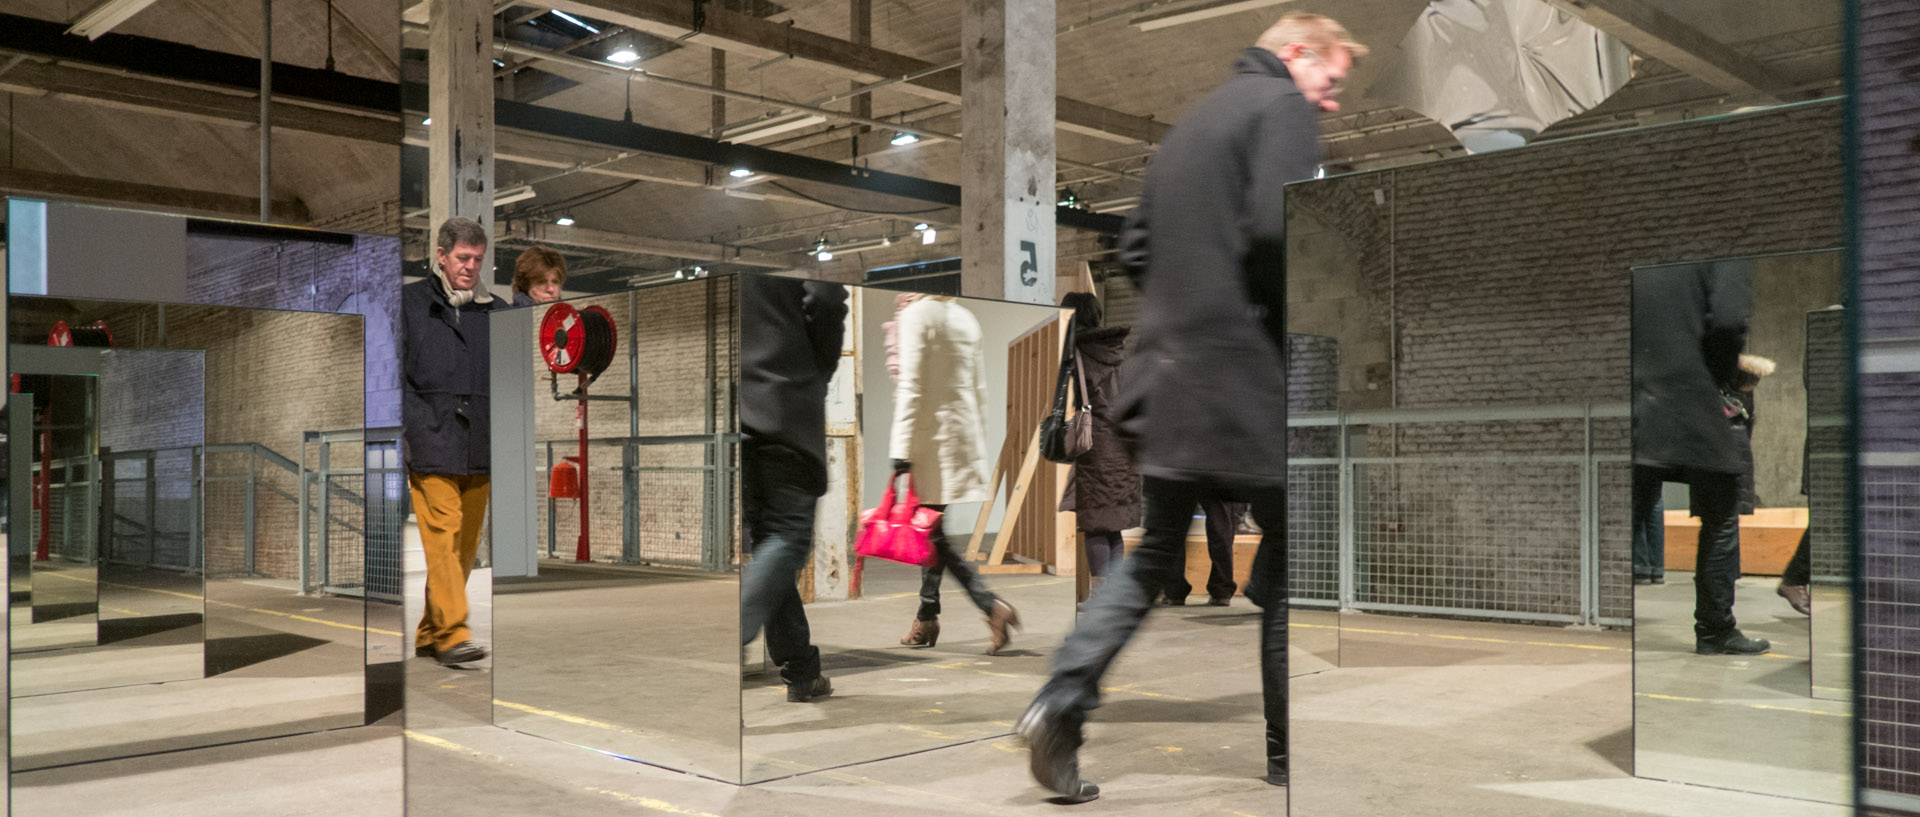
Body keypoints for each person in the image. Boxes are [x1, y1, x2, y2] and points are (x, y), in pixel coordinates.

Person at [1018, 13, 1363, 801]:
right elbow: (1283, 233)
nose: (1332, 103)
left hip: (1164, 379)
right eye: (1332, 82)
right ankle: (1287, 751)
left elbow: (1135, 250)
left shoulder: (1185, 132)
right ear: (1297, 53)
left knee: (1150, 558)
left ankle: (1060, 701)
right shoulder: (1281, 112)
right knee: (1292, 569)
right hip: (1240, 378)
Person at [1631, 259, 1768, 657]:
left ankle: (1607, 618)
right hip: (1693, 401)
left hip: (1637, 404)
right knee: (1720, 518)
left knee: (1628, 514)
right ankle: (1715, 629)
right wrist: (1724, 376)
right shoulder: (1723, 257)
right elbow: (1727, 322)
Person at [738, 273, 848, 703]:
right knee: (787, 538)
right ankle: (734, 630)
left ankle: (801, 670)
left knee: (770, 545)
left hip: (740, 412)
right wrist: (816, 370)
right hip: (783, 403)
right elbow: (824, 295)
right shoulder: (794, 249)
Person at [890, 293, 1020, 654]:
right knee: (930, 533)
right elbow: (977, 390)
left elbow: (911, 385)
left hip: (928, 443)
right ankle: (926, 618)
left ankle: (992, 606)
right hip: (957, 441)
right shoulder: (965, 318)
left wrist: (900, 450)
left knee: (933, 537)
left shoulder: (918, 315)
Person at [404, 217, 501, 666]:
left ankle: (429, 633)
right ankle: (454, 633)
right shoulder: (409, 303)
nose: (470, 267)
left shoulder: (497, 312)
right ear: (440, 256)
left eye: (478, 260)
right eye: (463, 258)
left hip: (481, 442)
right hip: (432, 439)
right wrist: (414, 426)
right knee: (442, 536)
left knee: (463, 546)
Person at [1054, 292, 1141, 602]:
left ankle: (1101, 596)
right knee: (1113, 525)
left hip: (1096, 448)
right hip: (1126, 449)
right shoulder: (1118, 350)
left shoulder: (1076, 351)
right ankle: (1114, 595)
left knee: (1094, 524)